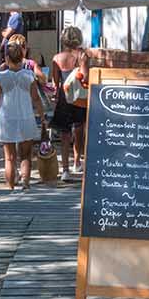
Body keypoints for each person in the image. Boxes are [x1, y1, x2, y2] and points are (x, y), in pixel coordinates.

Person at [0, 41, 44, 191]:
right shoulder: (29, 76)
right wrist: (42, 116)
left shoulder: (1, 77)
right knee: (26, 155)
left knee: (9, 158)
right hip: (26, 117)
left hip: (6, 119)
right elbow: (36, 98)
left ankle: (10, 187)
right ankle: (26, 183)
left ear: (7, 59)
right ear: (22, 56)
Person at [50, 26, 90, 182]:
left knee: (65, 133)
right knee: (79, 130)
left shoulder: (56, 58)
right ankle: (77, 162)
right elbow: (85, 78)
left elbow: (55, 83)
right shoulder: (82, 55)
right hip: (79, 98)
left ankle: (65, 170)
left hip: (63, 97)